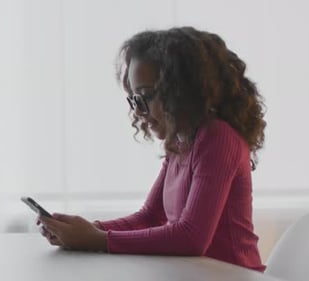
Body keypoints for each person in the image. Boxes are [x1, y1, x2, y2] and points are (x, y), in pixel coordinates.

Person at [39, 26, 267, 272]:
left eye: (145, 96)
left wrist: (95, 239)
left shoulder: (218, 138)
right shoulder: (180, 142)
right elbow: (149, 216)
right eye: (134, 99)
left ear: (181, 89)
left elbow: (191, 238)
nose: (138, 111)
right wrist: (87, 230)